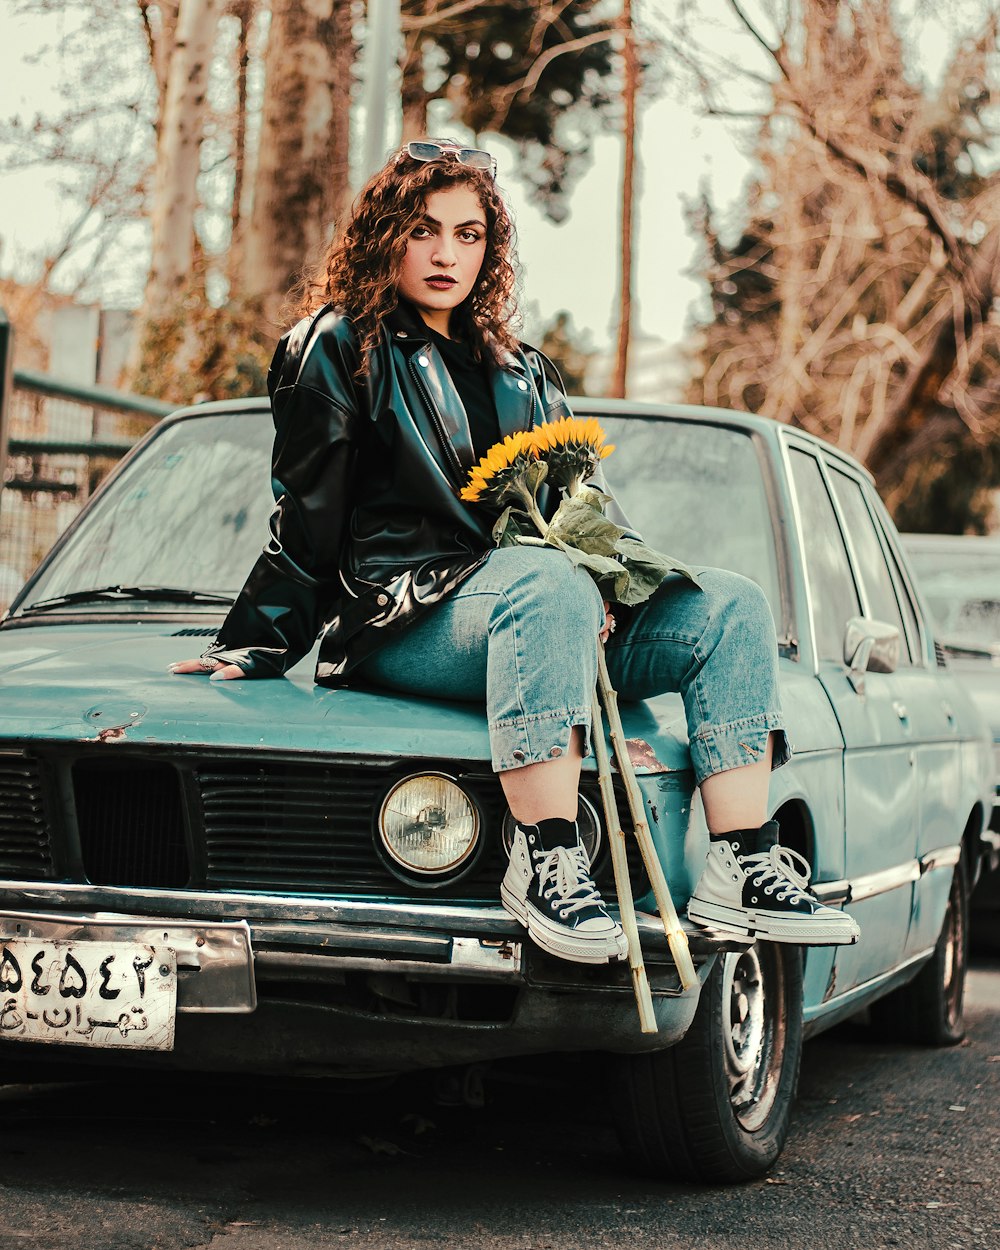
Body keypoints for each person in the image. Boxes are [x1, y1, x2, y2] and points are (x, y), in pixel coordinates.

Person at [170, 139, 860, 963]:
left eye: (468, 235)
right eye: (423, 229)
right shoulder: (338, 345)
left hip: (544, 607)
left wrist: (607, 588)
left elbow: (587, 506)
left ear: (490, 250)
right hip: (404, 616)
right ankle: (549, 860)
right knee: (545, 581)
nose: (445, 253)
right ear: (384, 233)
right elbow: (309, 515)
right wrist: (255, 641)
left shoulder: (525, 371)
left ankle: (739, 862)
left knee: (731, 605)